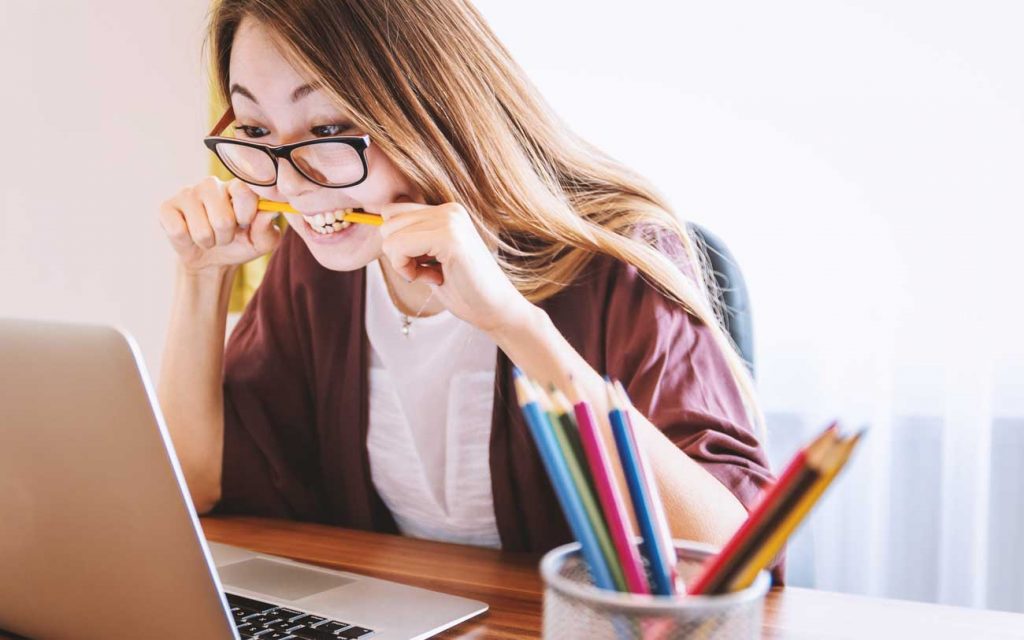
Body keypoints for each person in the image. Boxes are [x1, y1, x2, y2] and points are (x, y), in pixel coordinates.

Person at [157, 0, 777, 573]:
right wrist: (202, 277)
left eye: (327, 129)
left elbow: (731, 556)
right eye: (259, 132)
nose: (291, 185)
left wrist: (514, 323)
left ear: (430, 107)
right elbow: (196, 483)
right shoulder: (317, 266)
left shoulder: (618, 258)